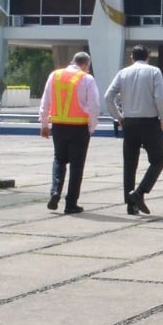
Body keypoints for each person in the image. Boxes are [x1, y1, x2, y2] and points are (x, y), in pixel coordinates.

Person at [105, 45, 163, 215]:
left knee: (130, 164)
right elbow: (160, 98)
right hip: (149, 122)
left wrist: (118, 117)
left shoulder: (123, 73)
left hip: (129, 122)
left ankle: (130, 205)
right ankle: (139, 192)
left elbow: (108, 97)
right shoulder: (154, 72)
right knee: (158, 159)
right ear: (148, 56)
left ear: (131, 57)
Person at [38, 51, 101, 214]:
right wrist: (91, 127)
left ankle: (55, 191)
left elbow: (45, 101)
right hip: (79, 127)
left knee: (59, 159)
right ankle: (71, 203)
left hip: (58, 125)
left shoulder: (55, 75)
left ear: (72, 61)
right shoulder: (87, 78)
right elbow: (94, 106)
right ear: (86, 64)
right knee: (76, 165)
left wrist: (44, 123)